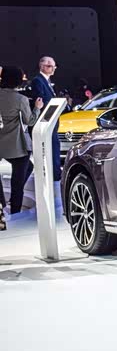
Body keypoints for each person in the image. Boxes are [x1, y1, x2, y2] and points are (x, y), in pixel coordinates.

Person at [0, 66, 44, 229]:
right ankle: (15, 214)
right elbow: (29, 121)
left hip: (1, 144)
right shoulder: (20, 99)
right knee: (17, 184)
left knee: (28, 167)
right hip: (16, 145)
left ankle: (3, 204)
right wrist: (37, 108)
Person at [26, 56, 62, 180]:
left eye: (54, 66)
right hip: (46, 121)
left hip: (51, 121)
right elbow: (41, 101)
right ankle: (54, 174)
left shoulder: (47, 81)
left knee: (53, 148)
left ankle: (55, 173)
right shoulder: (38, 81)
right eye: (50, 66)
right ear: (42, 66)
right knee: (50, 149)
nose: (53, 68)